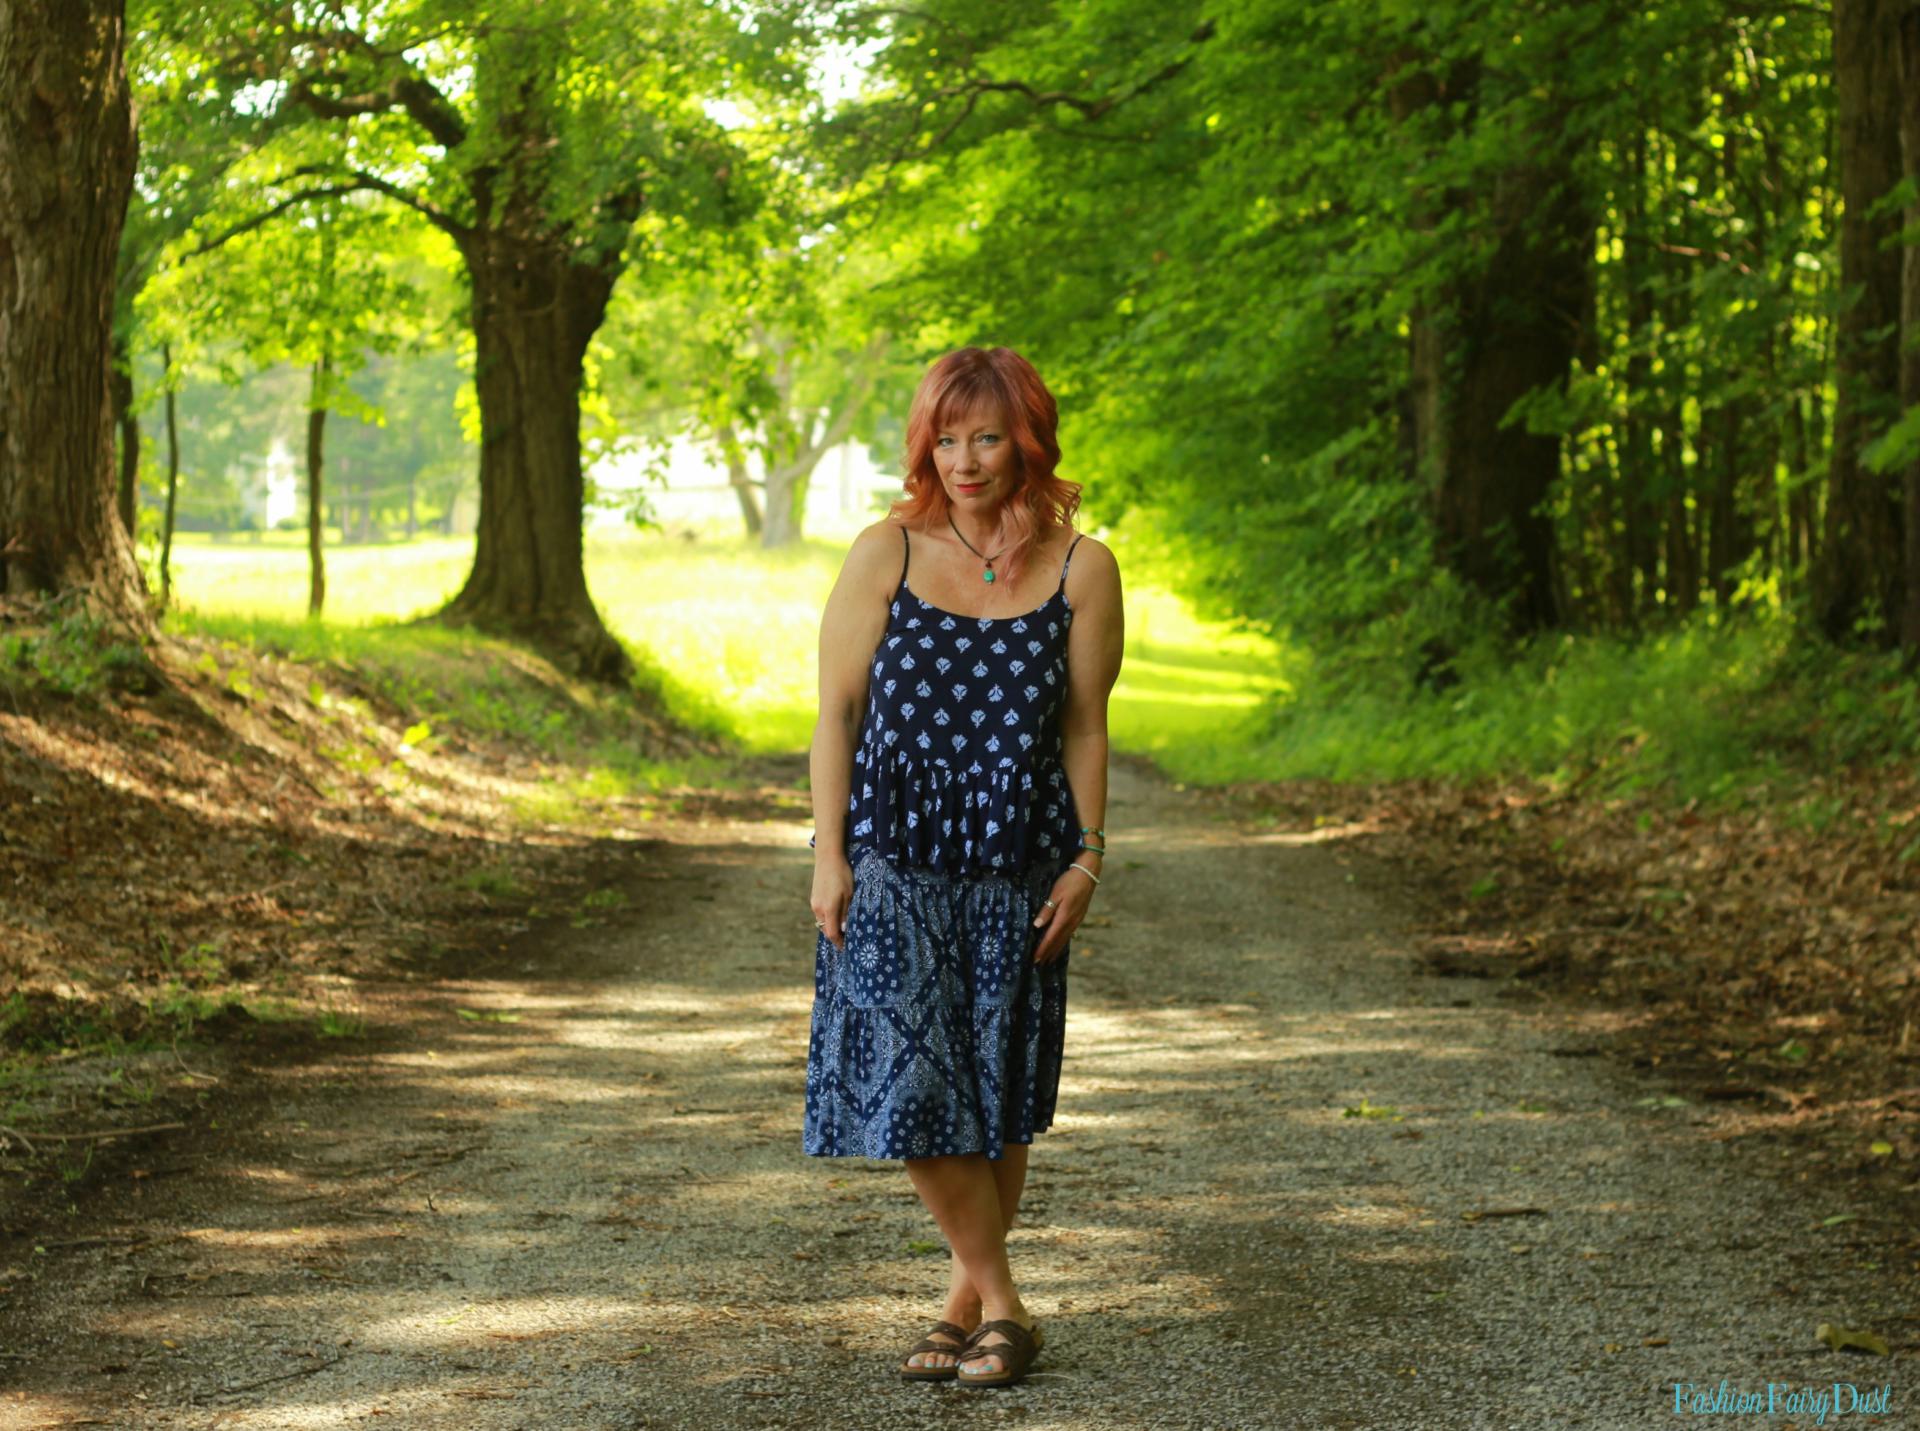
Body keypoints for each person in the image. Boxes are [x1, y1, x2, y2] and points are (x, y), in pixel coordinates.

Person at [803, 346, 1124, 1389]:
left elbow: (1083, 725)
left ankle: (963, 1309)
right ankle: (1011, 1307)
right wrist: (829, 853)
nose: (965, 460)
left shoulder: (1083, 569)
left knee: (994, 1088)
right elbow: (836, 714)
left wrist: (1087, 857)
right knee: (913, 1086)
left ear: (1027, 437)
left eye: (986, 436)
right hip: (894, 853)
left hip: (1018, 864)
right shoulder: (883, 551)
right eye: (946, 438)